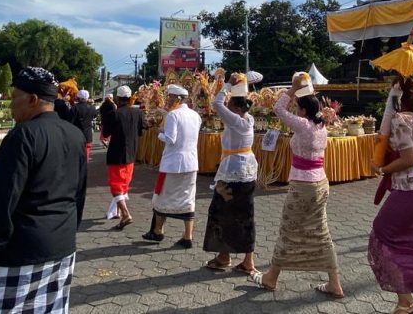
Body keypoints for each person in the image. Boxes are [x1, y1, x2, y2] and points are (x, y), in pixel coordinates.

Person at [0, 67, 88, 313]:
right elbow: (79, 195)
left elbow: (1, 201)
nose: (10, 105)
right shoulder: (74, 135)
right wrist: (68, 230)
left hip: (20, 249)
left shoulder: (22, 136)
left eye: (14, 97)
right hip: (61, 244)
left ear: (32, 99)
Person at [251, 72, 344, 298]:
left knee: (288, 230)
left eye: (298, 108)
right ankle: (334, 282)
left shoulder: (303, 125)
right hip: (320, 183)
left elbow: (278, 109)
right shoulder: (321, 126)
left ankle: (271, 277)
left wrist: (292, 89)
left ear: (303, 111)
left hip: (303, 186)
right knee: (321, 231)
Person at [369, 79, 413, 314]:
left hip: (411, 188)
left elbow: (408, 159)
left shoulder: (401, 119)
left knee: (381, 234)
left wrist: (382, 169)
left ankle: (405, 298)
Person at [203, 72, 259, 275]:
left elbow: (216, 103)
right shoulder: (249, 119)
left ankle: (224, 256)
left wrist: (227, 85)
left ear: (235, 108)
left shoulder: (237, 121)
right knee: (245, 215)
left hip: (233, 173)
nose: (226, 108)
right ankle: (247, 260)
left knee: (221, 212)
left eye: (230, 105)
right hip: (246, 171)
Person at [142, 84, 200, 248]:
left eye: (170, 98)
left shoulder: (173, 115)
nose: (167, 101)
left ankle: (158, 231)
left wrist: (158, 133)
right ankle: (187, 236)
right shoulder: (195, 115)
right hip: (190, 162)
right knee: (188, 198)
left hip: (173, 164)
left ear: (177, 99)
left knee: (160, 196)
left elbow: (171, 139)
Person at [103, 85, 143, 230]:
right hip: (131, 154)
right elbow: (139, 132)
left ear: (119, 98)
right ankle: (118, 211)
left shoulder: (114, 114)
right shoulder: (138, 113)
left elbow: (106, 133)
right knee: (124, 184)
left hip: (116, 154)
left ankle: (125, 214)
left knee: (116, 186)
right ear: (130, 97)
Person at [71, 89, 97, 161]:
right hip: (88, 134)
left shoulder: (74, 108)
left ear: (78, 98)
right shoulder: (92, 108)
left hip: (76, 134)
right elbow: (94, 116)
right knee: (86, 155)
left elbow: (70, 121)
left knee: (76, 156)